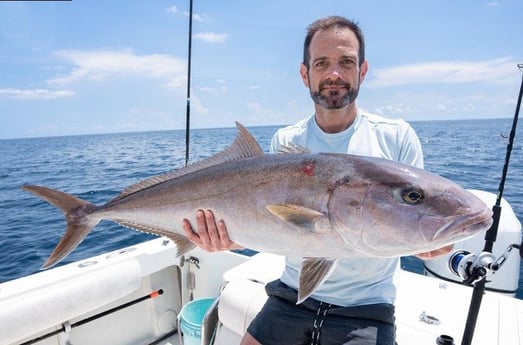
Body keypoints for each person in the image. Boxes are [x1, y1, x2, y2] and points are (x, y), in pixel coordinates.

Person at [182, 15, 452, 345]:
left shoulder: (396, 138)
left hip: (367, 306)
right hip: (290, 296)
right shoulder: (286, 142)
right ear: (304, 73)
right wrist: (227, 237)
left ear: (362, 71)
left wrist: (432, 242)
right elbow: (269, 223)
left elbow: (417, 213)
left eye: (346, 62)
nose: (333, 74)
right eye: (321, 63)